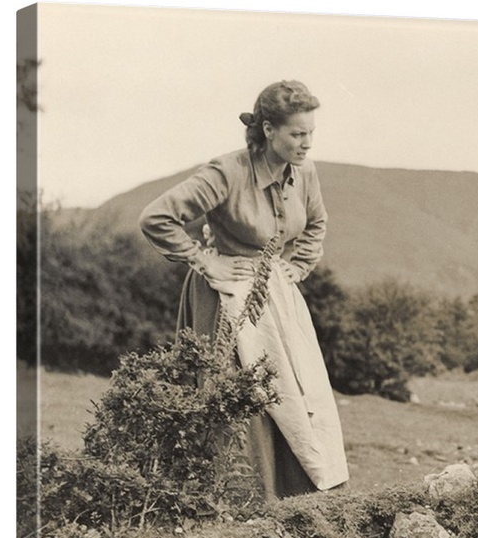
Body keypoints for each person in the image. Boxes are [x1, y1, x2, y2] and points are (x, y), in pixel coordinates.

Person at [139, 79, 348, 499]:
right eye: (297, 134)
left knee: (292, 395)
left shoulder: (305, 173)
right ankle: (240, 502)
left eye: (311, 134)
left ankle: (294, 500)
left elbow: (316, 223)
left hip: (278, 300)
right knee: (241, 399)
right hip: (225, 299)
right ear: (268, 129)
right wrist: (205, 260)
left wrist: (298, 265)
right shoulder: (227, 172)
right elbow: (156, 217)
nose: (307, 143)